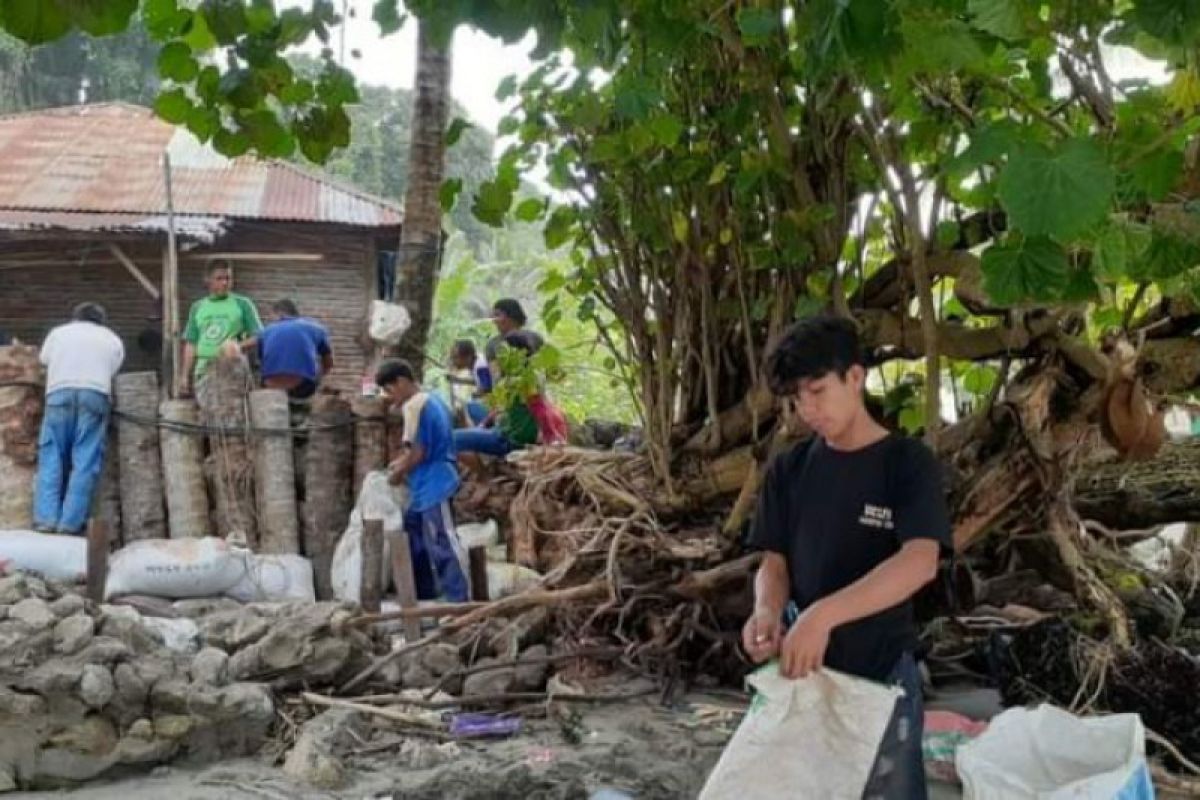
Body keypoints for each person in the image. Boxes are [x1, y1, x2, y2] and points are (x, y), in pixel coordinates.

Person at [741, 315, 950, 799]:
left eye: (817, 391)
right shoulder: (789, 469)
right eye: (796, 399)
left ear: (855, 377)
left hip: (880, 670)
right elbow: (774, 563)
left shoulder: (907, 463)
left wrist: (824, 614)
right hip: (803, 670)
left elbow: (920, 561)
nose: (807, 409)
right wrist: (767, 610)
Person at [375, 358, 469, 602]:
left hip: (434, 484)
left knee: (441, 541)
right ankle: (425, 592)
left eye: (389, 389)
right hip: (425, 485)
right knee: (413, 535)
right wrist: (401, 463)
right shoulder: (432, 399)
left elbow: (418, 453)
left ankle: (460, 600)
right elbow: (417, 448)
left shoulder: (414, 405)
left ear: (402, 381)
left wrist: (397, 473)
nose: (389, 396)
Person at [33, 303, 125, 535]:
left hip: (58, 393)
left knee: (51, 455)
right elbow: (113, 369)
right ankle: (70, 523)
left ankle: (46, 519)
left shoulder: (58, 333)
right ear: (101, 321)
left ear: (75, 318)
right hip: (94, 394)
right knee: (85, 460)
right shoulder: (112, 338)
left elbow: (43, 360)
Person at [453, 332, 542, 458]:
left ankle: (482, 473)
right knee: (472, 407)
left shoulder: (515, 381)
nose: (498, 359)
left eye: (503, 354)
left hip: (509, 440)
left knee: (453, 438)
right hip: (508, 430)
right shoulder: (529, 376)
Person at [181, 260, 263, 396]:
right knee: (207, 414)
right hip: (203, 372)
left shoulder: (243, 304)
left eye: (228, 278)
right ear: (208, 280)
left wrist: (237, 346)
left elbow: (259, 336)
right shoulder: (197, 307)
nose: (224, 283)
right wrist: (184, 376)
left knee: (232, 413)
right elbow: (191, 344)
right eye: (219, 278)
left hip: (232, 371)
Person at [258, 299, 333, 400]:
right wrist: (320, 376)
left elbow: (262, 360)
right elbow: (328, 363)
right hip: (302, 387)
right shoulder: (316, 328)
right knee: (318, 362)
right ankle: (308, 400)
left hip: (270, 385)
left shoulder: (266, 331)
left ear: (277, 314)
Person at [484, 298, 544, 370]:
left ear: (511, 315)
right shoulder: (492, 344)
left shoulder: (535, 338)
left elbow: (544, 365)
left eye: (497, 315)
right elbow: (495, 373)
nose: (494, 320)